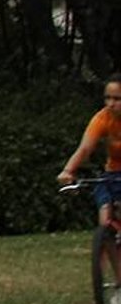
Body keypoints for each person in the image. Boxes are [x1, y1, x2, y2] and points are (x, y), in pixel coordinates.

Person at [59, 75, 121, 231]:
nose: (111, 104)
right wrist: (68, 171)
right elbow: (85, 148)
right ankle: (106, 236)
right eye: (107, 98)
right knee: (104, 202)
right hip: (114, 173)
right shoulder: (102, 118)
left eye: (117, 99)